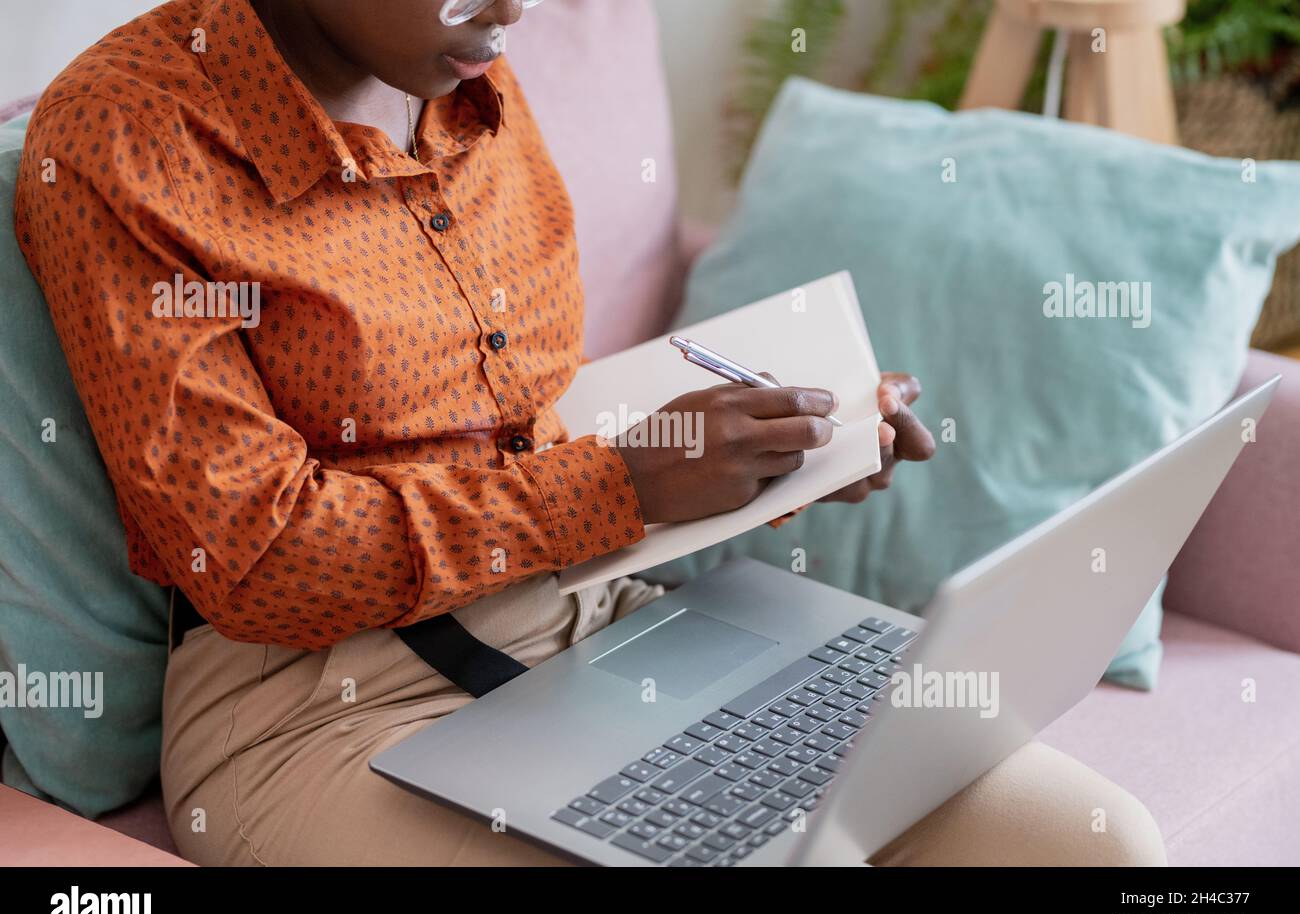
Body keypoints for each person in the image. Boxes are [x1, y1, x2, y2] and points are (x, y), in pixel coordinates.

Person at [15, 0, 1165, 866]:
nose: (514, 10)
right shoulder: (127, 138)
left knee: (1098, 842)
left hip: (598, 618)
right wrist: (623, 487)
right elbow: (255, 557)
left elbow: (524, 417)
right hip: (319, 703)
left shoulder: (465, 70)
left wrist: (760, 448)